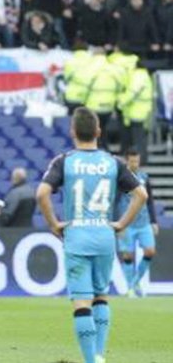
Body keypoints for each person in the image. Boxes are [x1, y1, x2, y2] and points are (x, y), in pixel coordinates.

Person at [37, 107, 147, 363]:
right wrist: (121, 223)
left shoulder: (64, 161)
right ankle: (99, 355)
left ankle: (90, 361)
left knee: (81, 302)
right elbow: (141, 195)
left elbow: (42, 193)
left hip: (76, 236)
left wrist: (54, 223)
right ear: (98, 132)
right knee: (101, 296)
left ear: (72, 132)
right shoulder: (113, 162)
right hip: (104, 236)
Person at [116, 149, 158, 298]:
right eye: (132, 161)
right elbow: (115, 202)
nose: (135, 164)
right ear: (127, 161)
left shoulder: (144, 177)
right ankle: (131, 288)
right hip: (127, 223)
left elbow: (150, 201)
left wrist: (154, 221)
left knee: (150, 251)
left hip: (144, 222)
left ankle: (134, 282)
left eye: (137, 161)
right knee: (128, 255)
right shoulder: (121, 179)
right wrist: (118, 224)